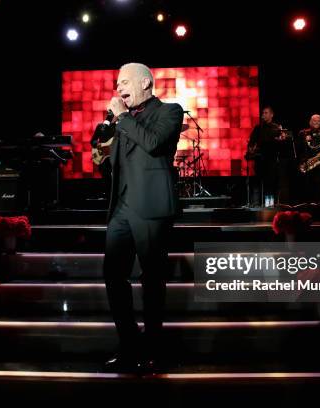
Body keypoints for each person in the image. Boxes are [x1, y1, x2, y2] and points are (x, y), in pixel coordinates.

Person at [101, 63, 183, 373]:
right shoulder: (124, 121)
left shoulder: (170, 111)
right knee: (113, 275)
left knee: (151, 279)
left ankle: (154, 349)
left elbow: (153, 143)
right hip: (121, 208)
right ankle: (129, 344)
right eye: (116, 82)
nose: (118, 87)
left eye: (124, 81)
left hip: (151, 207)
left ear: (146, 83)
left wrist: (122, 117)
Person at [247, 106, 292, 206]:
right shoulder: (258, 128)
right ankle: (256, 204)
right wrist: (251, 149)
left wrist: (282, 139)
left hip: (271, 159)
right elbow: (251, 142)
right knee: (257, 182)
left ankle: (269, 204)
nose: (263, 115)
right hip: (259, 159)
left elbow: (283, 143)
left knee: (270, 183)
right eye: (263, 113)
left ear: (271, 115)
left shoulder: (277, 128)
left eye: (266, 113)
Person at [298, 114, 320, 204]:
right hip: (306, 162)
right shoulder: (303, 133)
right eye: (314, 121)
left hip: (318, 162)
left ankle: (318, 202)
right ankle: (307, 203)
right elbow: (299, 148)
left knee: (318, 183)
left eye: (319, 121)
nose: (316, 122)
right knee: (306, 184)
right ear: (310, 122)